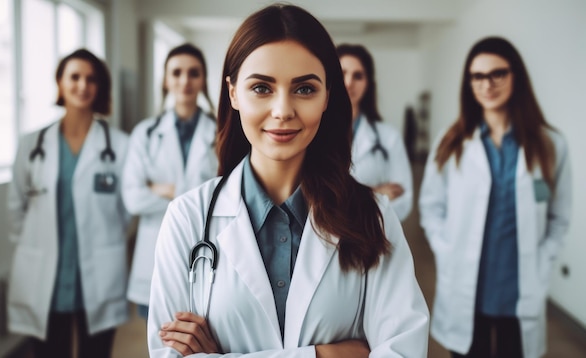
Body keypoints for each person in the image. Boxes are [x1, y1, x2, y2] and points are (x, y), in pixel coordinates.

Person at [148, 3, 429, 357]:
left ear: (328, 96)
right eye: (262, 88)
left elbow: (403, 351)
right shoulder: (187, 219)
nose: (283, 111)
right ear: (233, 93)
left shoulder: (372, 216)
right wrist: (326, 355)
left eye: (305, 89)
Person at [418, 36, 571, 358]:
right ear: (469, 83)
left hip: (519, 288)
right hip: (465, 287)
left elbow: (558, 216)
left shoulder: (550, 145)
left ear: (516, 76)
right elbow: (432, 207)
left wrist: (544, 261)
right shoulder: (453, 142)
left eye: (496, 74)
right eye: (477, 76)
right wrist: (446, 250)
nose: (486, 84)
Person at [7, 49, 130, 358]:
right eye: (74, 77)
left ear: (100, 87)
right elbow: (16, 206)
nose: (82, 85)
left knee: (96, 353)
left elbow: (126, 212)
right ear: (60, 83)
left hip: (99, 268)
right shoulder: (32, 144)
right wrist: (32, 243)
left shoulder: (120, 145)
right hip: (45, 272)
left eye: (91, 78)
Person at [122, 43, 218, 319]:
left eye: (193, 73)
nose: (184, 81)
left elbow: (229, 193)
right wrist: (191, 194)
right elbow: (132, 198)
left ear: (203, 79)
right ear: (165, 79)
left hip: (206, 246)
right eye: (176, 73)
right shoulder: (146, 133)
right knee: (159, 337)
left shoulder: (221, 131)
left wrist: (163, 190)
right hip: (155, 250)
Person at [336, 44, 414, 221]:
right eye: (342, 74)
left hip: (371, 238)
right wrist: (374, 192)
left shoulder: (388, 137)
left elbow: (402, 199)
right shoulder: (312, 133)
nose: (349, 83)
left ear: (368, 83)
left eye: (358, 76)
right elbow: (306, 196)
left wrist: (346, 203)